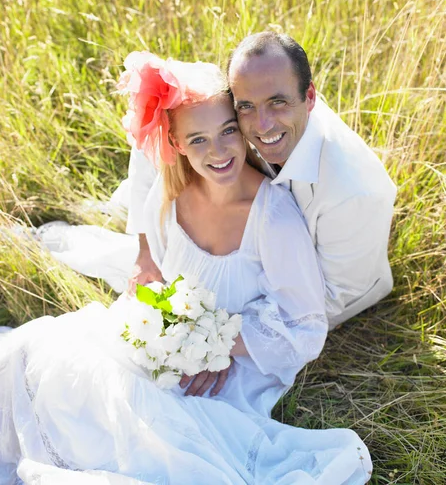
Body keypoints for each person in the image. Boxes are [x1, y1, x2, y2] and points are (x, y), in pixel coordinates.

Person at [0, 54, 372, 484]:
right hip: (164, 337)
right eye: (198, 140)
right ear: (175, 145)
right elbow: (163, 280)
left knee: (147, 434)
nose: (217, 151)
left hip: (230, 366)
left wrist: (215, 344)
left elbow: (303, 325)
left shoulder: (272, 217)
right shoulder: (174, 193)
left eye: (228, 131)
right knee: (45, 363)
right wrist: (170, 327)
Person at [129, 33, 397, 329]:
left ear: (309, 97)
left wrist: (212, 334)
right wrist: (145, 251)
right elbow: (156, 127)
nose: (262, 124)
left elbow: (329, 298)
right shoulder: (241, 96)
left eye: (278, 102)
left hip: (321, 296)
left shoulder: (354, 193)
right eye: (246, 107)